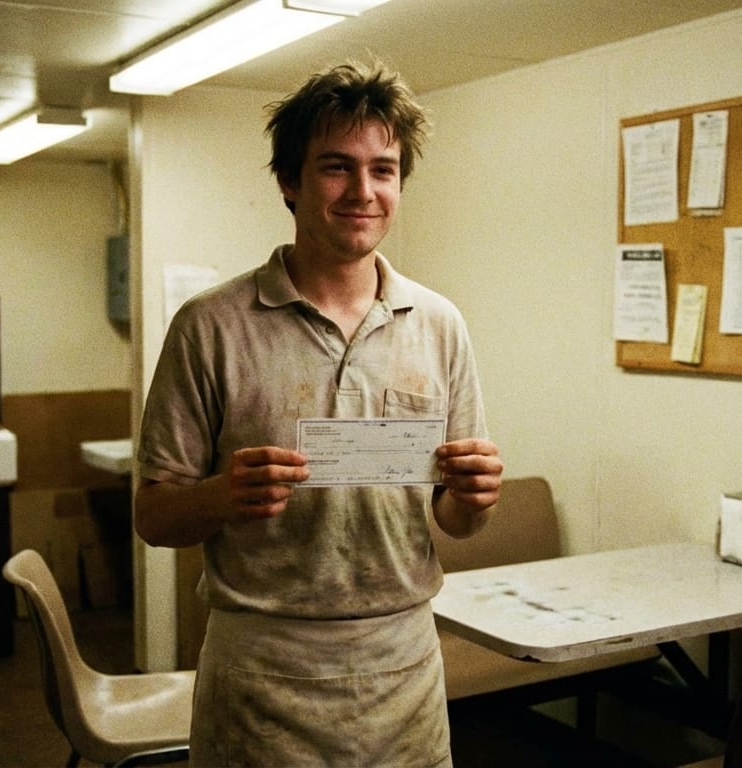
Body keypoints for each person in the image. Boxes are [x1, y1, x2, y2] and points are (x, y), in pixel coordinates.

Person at [133, 59, 504, 767]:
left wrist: (474, 499)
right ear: (289, 181)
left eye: (384, 170)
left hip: (404, 675)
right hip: (262, 676)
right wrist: (220, 496)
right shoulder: (210, 326)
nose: (363, 192)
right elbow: (152, 519)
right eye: (336, 167)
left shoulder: (439, 323)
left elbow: (454, 520)